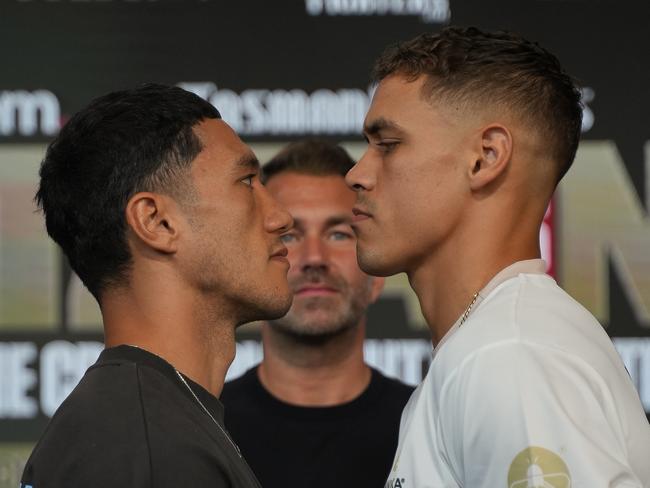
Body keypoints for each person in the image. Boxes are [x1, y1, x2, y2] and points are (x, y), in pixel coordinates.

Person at [346, 27, 650, 487]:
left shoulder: (509, 354)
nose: (357, 174)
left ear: (486, 157)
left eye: (387, 144)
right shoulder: (491, 345)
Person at [21, 84, 293, 488]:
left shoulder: (139, 421)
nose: (282, 217)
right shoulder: (149, 446)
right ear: (157, 222)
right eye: (247, 181)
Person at [221, 140, 414, 488]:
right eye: (289, 236)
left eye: (339, 233)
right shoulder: (204, 428)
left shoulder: (423, 425)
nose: (314, 257)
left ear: (377, 277)